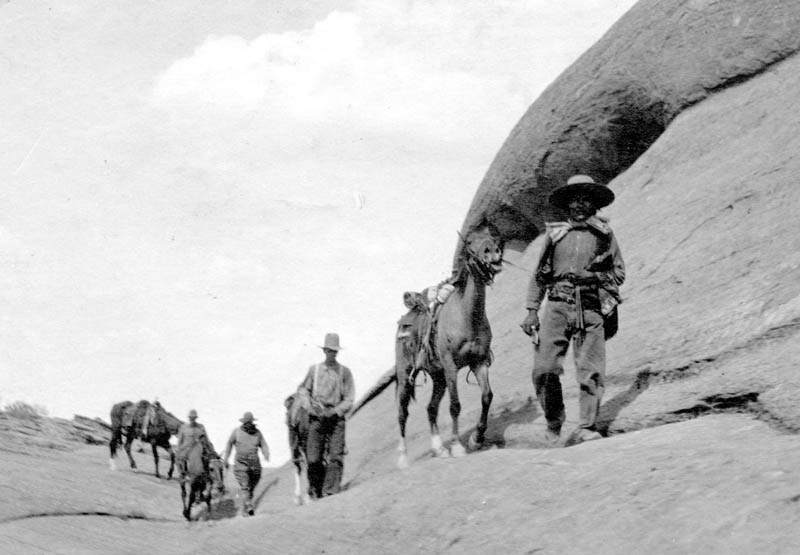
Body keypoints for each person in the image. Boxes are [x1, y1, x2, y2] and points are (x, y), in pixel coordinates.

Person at [520, 174, 625, 445]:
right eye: (574, 201)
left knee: (590, 370)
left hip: (591, 307)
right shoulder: (555, 235)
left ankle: (587, 426)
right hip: (557, 305)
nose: (579, 206)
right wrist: (532, 309)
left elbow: (619, 272)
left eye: (585, 200)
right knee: (543, 369)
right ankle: (554, 420)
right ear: (567, 205)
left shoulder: (604, 234)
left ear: (594, 205)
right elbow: (540, 275)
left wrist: (598, 276)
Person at [297, 332, 355, 498]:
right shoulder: (314, 370)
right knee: (313, 458)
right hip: (317, 417)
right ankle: (316, 489)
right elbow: (303, 390)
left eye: (335, 351)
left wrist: (335, 411)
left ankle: (331, 492)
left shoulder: (345, 372)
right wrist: (310, 408)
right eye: (330, 350)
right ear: (324, 351)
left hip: (336, 419)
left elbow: (350, 398)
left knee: (336, 457)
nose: (332, 354)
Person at [221, 411, 270, 516]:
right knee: (245, 485)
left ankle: (247, 501)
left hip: (254, 462)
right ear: (243, 423)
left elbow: (263, 444)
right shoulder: (237, 432)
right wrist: (226, 458)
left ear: (252, 422)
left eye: (250, 422)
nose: (248, 424)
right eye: (246, 422)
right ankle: (248, 506)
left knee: (254, 482)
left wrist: (266, 453)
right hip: (240, 463)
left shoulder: (257, 433)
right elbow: (229, 443)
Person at [176, 409, 217, 473]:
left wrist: (212, 450)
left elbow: (207, 439)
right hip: (186, 450)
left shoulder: (201, 427)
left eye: (194, 418)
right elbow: (179, 441)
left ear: (196, 418)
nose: (192, 419)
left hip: (198, 450)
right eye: (191, 418)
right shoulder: (183, 427)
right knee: (181, 462)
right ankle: (184, 474)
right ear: (188, 418)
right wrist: (179, 450)